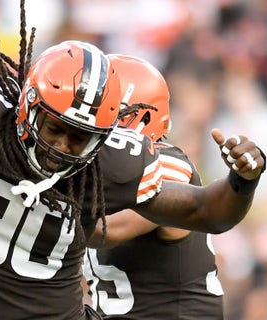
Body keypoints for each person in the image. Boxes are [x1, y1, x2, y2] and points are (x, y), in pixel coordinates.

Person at [0, 2, 266, 319]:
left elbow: (199, 214)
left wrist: (242, 181)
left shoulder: (130, 162)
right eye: (54, 127)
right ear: (27, 104)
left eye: (83, 136)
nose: (61, 147)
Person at [82, 54, 224, 319]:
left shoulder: (166, 162)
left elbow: (107, 229)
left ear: (141, 116)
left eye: (104, 109)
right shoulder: (95, 171)